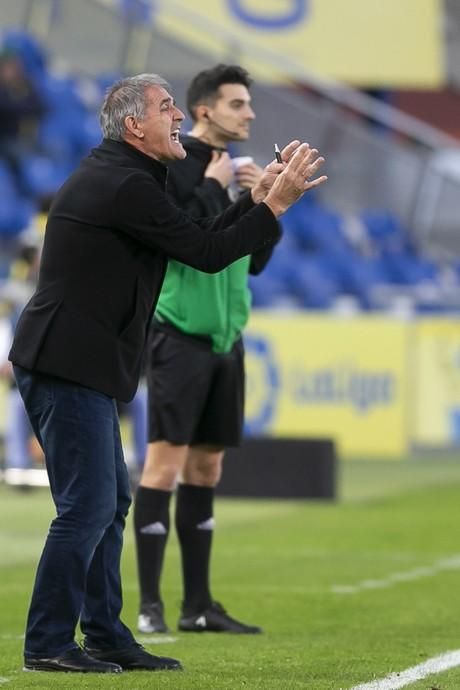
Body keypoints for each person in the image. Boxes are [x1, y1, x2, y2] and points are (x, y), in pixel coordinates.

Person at [8, 73, 327, 674]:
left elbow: (203, 239)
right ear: (134, 125)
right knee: (88, 506)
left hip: (81, 361)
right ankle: (48, 643)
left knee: (109, 501)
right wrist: (273, 205)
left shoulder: (128, 177)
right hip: (66, 361)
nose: (178, 114)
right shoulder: (123, 184)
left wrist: (259, 205)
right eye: (165, 107)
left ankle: (103, 634)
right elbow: (205, 254)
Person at [134, 64, 275, 636]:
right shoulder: (174, 163)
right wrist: (217, 189)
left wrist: (265, 201)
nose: (249, 113)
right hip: (178, 334)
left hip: (226, 339)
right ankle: (149, 606)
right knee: (163, 466)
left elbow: (256, 260)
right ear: (204, 110)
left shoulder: (237, 172)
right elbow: (183, 238)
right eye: (238, 103)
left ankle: (197, 606)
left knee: (207, 466)